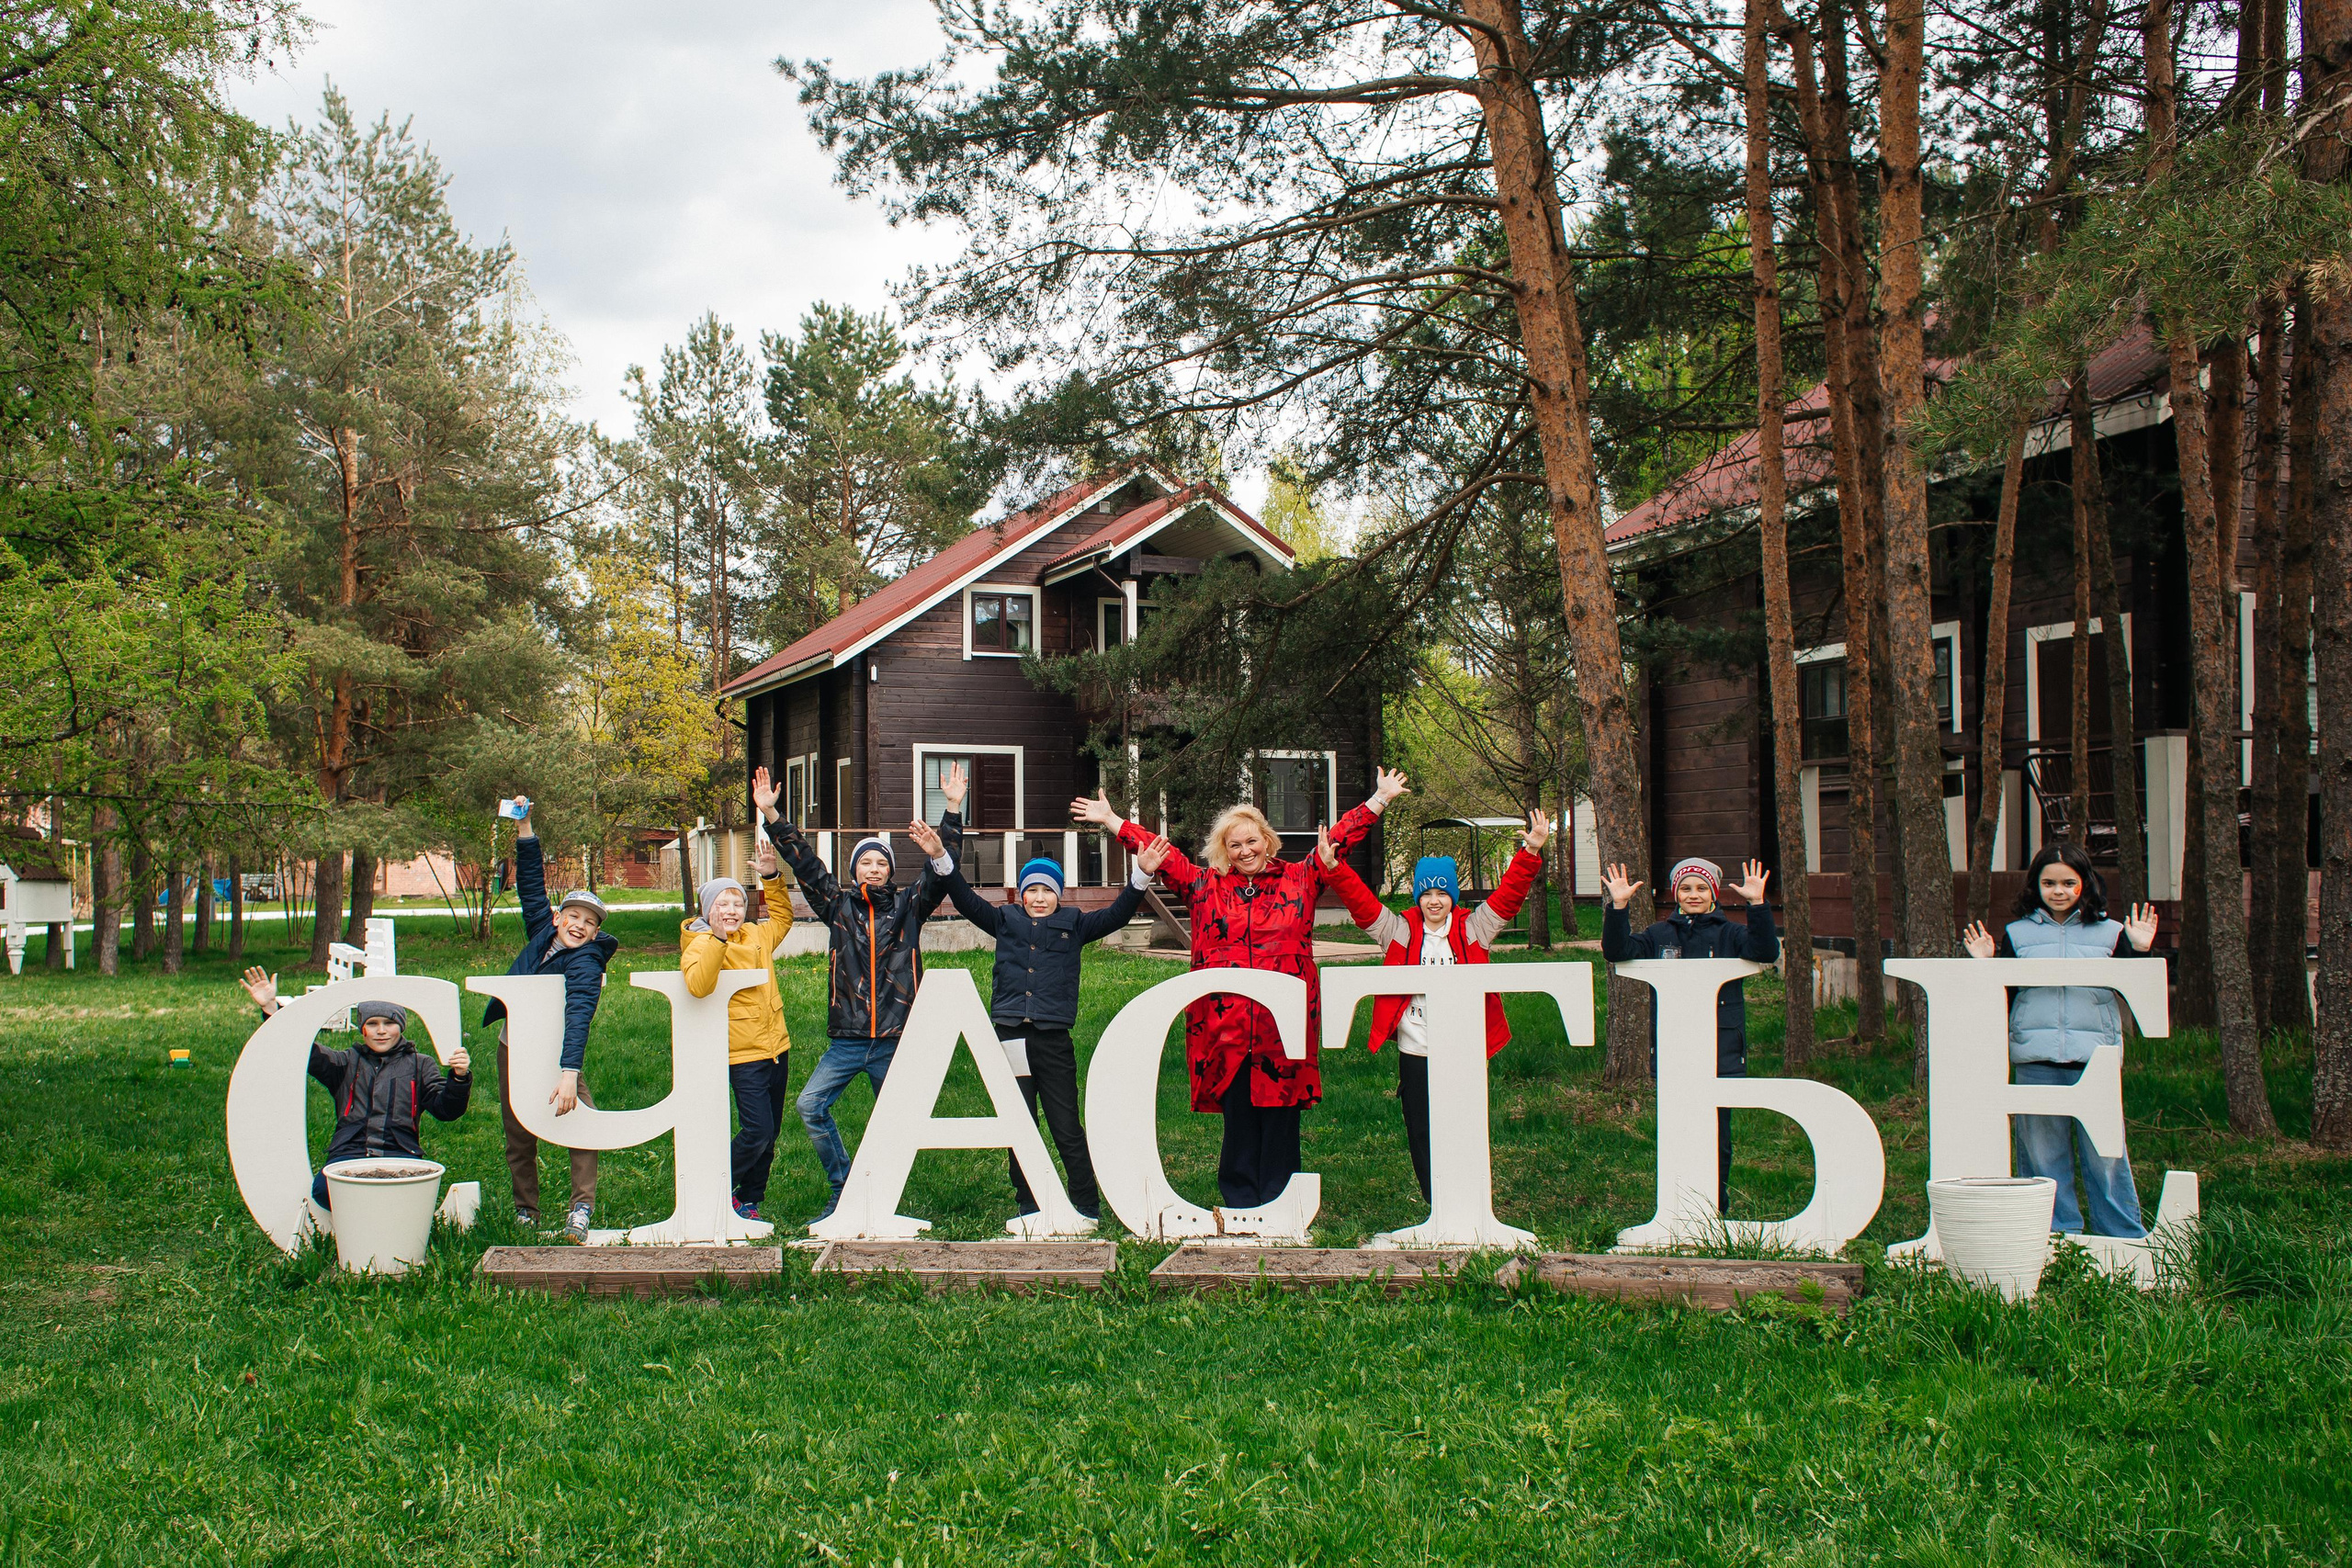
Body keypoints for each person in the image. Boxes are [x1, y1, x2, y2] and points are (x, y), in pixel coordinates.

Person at [1072, 766, 1408, 1210]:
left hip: (1281, 1024)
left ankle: (1281, 1201)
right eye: (1235, 845)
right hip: (1226, 1023)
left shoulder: (1301, 879)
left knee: (1282, 1113)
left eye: (1252, 841)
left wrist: (1378, 799)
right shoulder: (1204, 886)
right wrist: (1113, 821)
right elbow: (1161, 853)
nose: (1245, 850)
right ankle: (1240, 1202)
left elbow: (1338, 842)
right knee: (1239, 1114)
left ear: (1267, 841)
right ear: (1224, 852)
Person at [915, 823, 1168, 1225]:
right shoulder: (1003, 920)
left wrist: (1142, 875)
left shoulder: (1076, 924)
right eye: (1031, 889)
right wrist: (939, 857)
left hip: (1053, 1042)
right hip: (1011, 1037)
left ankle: (1086, 1206)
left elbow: (1118, 914)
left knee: (1066, 1126)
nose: (1038, 897)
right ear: (1021, 893)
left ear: (1059, 894)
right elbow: (963, 899)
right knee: (1020, 1125)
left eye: (1047, 890)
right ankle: (1028, 1206)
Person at [762, 762, 964, 1222]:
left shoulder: (911, 905)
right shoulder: (836, 905)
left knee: (897, 1122)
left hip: (894, 1040)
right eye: (866, 862)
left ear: (891, 872)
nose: (874, 869)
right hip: (847, 1042)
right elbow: (806, 864)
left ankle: (881, 1197)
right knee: (810, 1107)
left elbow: (943, 865)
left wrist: (952, 810)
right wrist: (773, 817)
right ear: (855, 871)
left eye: (881, 863)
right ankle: (845, 1187)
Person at [1317, 811, 1550, 1201]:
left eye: (1442, 893)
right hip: (1417, 1047)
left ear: (1453, 896)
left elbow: (1508, 896)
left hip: (1463, 1047)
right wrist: (1335, 868)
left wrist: (1530, 850)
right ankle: (1434, 1200)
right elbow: (1361, 903)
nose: (1435, 900)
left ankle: (1468, 1197)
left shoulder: (1475, 927)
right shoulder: (1398, 930)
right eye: (1427, 893)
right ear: (1417, 896)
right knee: (1421, 1128)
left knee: (1464, 1124)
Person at [1962, 841, 2160, 1238]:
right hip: (2035, 1059)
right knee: (2042, 1154)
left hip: (2095, 1059)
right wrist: (1984, 968)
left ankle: (2122, 1235)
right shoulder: (2017, 935)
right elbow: (2004, 995)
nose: (2058, 891)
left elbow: (2136, 990)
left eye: (2068, 882)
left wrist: (2138, 949)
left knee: (2106, 1154)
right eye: (2049, 882)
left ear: (2084, 884)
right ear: (2036, 885)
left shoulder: (2111, 932)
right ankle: (2055, 1235)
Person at [1599, 854, 1778, 1212]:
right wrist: (1618, 907)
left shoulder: (1731, 934)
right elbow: (1616, 951)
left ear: (1713, 893)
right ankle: (1677, 1208)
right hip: (1675, 1050)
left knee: (1717, 1137)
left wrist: (1757, 904)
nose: (1692, 895)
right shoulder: (1659, 935)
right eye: (1685, 888)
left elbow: (1765, 950)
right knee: (1679, 1134)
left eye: (1700, 888)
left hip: (1719, 1052)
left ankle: (1715, 1209)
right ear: (1676, 894)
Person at [477, 796, 617, 1242]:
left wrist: (569, 1075)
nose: (579, 926)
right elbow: (532, 884)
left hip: (558, 1052)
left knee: (582, 1119)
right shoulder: (542, 930)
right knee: (518, 1131)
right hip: (513, 1045)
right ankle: (526, 1211)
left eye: (590, 923)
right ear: (558, 918)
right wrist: (526, 826)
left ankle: (581, 1210)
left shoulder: (587, 963)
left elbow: (579, 1016)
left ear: (596, 932)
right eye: (574, 916)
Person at [238, 971, 471, 1212]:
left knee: (410, 1193)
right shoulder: (345, 1063)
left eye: (389, 1023)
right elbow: (302, 1049)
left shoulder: (420, 1064)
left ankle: (376, 1216)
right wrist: (270, 1009)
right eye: (372, 1024)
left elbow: (447, 1109)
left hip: (399, 1152)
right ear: (362, 1029)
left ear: (401, 1026)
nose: (381, 1031)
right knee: (323, 1190)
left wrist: (459, 1077)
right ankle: (376, 1215)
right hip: (349, 1152)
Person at [679, 832, 798, 1223]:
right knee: (757, 1131)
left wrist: (771, 879)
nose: (730, 910)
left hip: (776, 1048)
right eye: (721, 904)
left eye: (736, 903)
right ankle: (713, 1184)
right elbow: (698, 985)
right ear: (706, 909)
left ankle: (749, 1201)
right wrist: (716, 938)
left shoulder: (757, 934)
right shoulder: (699, 941)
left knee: (771, 1135)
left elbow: (783, 917)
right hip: (741, 1053)